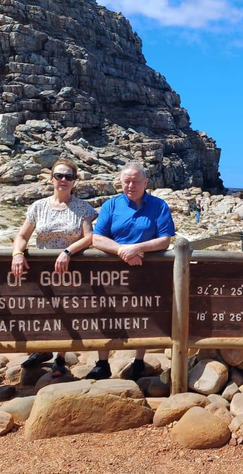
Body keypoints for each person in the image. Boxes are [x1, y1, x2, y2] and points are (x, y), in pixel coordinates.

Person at [87, 162, 175, 380]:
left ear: (145, 182)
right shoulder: (111, 205)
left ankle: (139, 360)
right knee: (106, 313)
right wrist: (122, 251)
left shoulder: (159, 206)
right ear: (120, 181)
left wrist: (138, 248)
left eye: (136, 181)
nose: (131, 185)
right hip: (113, 271)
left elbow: (165, 239)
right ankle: (102, 362)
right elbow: (97, 238)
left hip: (147, 270)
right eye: (126, 180)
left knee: (145, 313)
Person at [12, 159, 97, 377]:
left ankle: (60, 357)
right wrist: (17, 254)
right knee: (42, 310)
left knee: (66, 312)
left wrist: (68, 251)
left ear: (75, 181)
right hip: (43, 269)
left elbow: (89, 238)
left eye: (69, 177)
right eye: (59, 175)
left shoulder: (83, 208)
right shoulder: (38, 207)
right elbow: (22, 236)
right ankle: (42, 349)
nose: (63, 180)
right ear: (51, 179)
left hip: (71, 267)